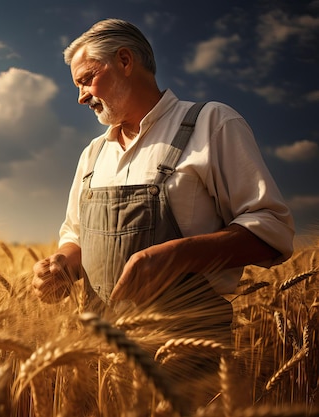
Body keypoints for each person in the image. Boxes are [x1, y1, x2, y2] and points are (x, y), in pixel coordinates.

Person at [32, 18, 294, 324]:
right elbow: (77, 235)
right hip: (99, 354)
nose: (81, 97)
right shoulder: (93, 153)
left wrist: (178, 256)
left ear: (125, 61)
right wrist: (61, 266)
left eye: (87, 79)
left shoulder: (211, 123)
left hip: (185, 350)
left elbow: (271, 229)